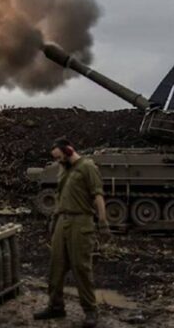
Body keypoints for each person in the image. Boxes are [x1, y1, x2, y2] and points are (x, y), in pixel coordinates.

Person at [33, 138, 111, 328]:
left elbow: (98, 195)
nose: (58, 161)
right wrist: (54, 220)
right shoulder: (63, 169)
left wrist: (103, 222)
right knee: (56, 265)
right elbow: (60, 196)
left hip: (81, 221)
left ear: (68, 150)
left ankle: (90, 310)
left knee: (81, 267)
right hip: (62, 220)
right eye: (56, 158)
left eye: (59, 157)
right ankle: (55, 306)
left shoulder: (87, 167)